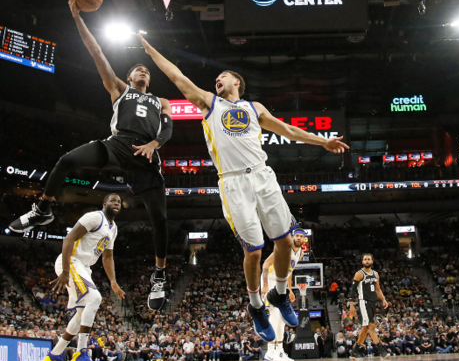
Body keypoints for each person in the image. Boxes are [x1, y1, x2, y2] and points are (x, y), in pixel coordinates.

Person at [137, 34, 348, 342]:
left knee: (286, 242)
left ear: (237, 82)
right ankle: (255, 305)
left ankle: (279, 294)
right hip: (233, 180)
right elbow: (177, 77)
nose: (217, 79)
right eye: (217, 78)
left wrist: (323, 140)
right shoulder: (209, 102)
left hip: (262, 175)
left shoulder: (254, 107)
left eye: (223, 76)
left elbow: (287, 130)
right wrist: (150, 49)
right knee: (254, 250)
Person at [10, 0, 173, 312]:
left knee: (161, 220)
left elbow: (166, 128)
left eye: (147, 71)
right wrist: (77, 17)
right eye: (138, 70)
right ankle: (43, 209)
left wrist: (156, 143)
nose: (143, 72)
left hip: (146, 156)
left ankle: (159, 275)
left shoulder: (161, 102)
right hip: (118, 143)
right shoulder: (118, 89)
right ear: (128, 77)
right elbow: (96, 50)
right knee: (66, 161)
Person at [41, 194, 126, 361]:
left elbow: (108, 256)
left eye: (119, 202)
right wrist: (65, 270)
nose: (116, 203)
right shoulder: (95, 217)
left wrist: (113, 282)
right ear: (104, 204)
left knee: (81, 316)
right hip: (71, 262)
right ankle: (81, 352)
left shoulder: (114, 228)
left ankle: (55, 355)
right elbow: (69, 239)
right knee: (94, 298)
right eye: (113, 201)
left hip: (84, 267)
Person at [261, 228, 307, 361]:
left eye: (301, 236)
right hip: (270, 280)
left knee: (281, 317)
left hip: (281, 283)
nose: (298, 238)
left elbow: (290, 271)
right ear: (292, 237)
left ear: (304, 239)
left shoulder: (300, 253)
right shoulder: (283, 248)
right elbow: (265, 264)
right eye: (296, 236)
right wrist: (264, 286)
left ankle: (279, 350)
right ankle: (270, 351)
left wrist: (290, 289)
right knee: (274, 314)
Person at [348, 254, 391, 360]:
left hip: (373, 302)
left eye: (368, 259)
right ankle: (381, 351)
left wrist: (384, 299)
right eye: (365, 259)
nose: (366, 261)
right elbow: (352, 290)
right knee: (371, 326)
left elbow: (378, 289)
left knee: (365, 328)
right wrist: (352, 304)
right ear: (362, 261)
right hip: (364, 302)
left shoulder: (376, 274)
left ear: (372, 261)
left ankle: (354, 351)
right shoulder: (359, 274)